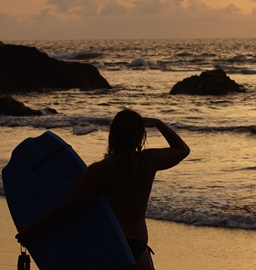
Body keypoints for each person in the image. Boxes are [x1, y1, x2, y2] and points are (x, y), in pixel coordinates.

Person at [15, 109, 190, 269]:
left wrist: (33, 230)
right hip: (138, 247)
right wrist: (158, 123)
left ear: (113, 134)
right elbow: (182, 149)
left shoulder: (100, 170)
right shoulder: (148, 161)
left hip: (109, 246)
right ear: (140, 135)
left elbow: (68, 208)